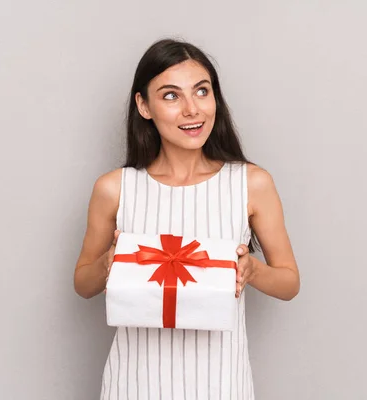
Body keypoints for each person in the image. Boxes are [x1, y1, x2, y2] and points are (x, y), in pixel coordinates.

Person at [73, 38, 300, 400]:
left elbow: (289, 282)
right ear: (143, 106)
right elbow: (83, 284)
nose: (192, 110)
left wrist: (252, 271)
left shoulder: (252, 183)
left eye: (201, 91)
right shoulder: (115, 189)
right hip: (134, 382)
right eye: (171, 96)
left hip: (221, 382)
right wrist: (108, 263)